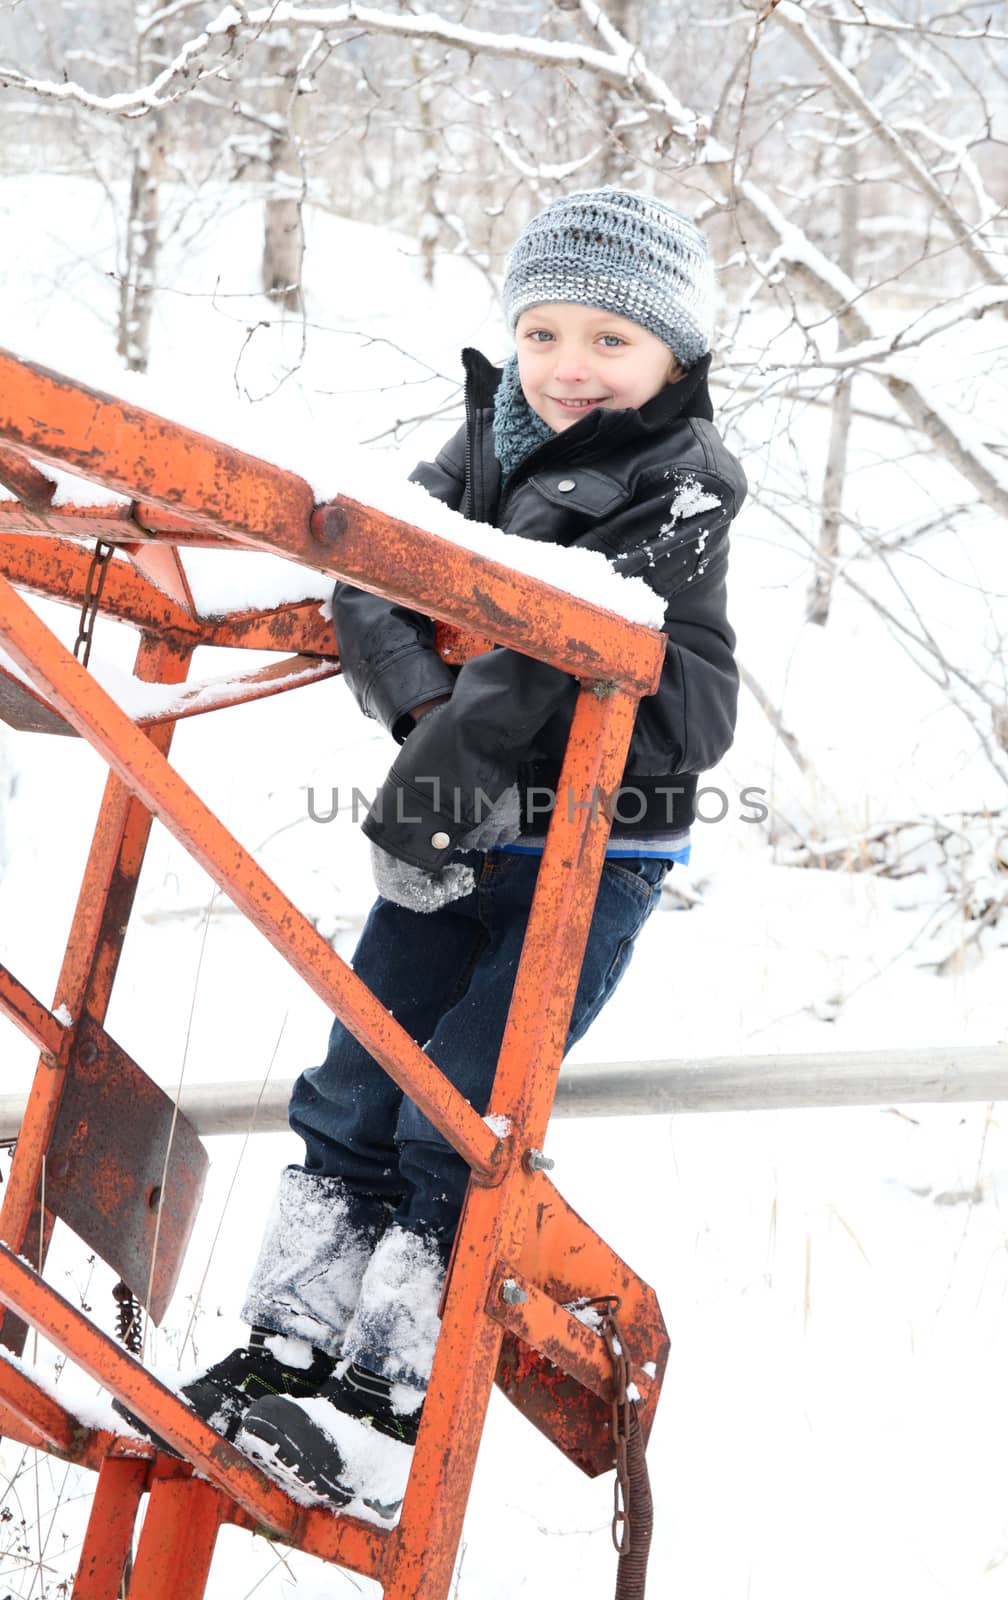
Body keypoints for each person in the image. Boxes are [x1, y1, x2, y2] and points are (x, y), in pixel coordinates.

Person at [149, 187, 747, 1518]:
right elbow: (374, 572)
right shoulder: (484, 443)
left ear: (674, 358)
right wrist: (424, 712)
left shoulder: (686, 479)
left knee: (459, 1104)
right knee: (358, 1077)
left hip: (594, 840)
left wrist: (432, 783)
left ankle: (388, 1407)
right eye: (544, 333)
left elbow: (552, 644)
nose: (570, 367)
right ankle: (289, 1353)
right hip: (462, 812)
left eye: (609, 340)